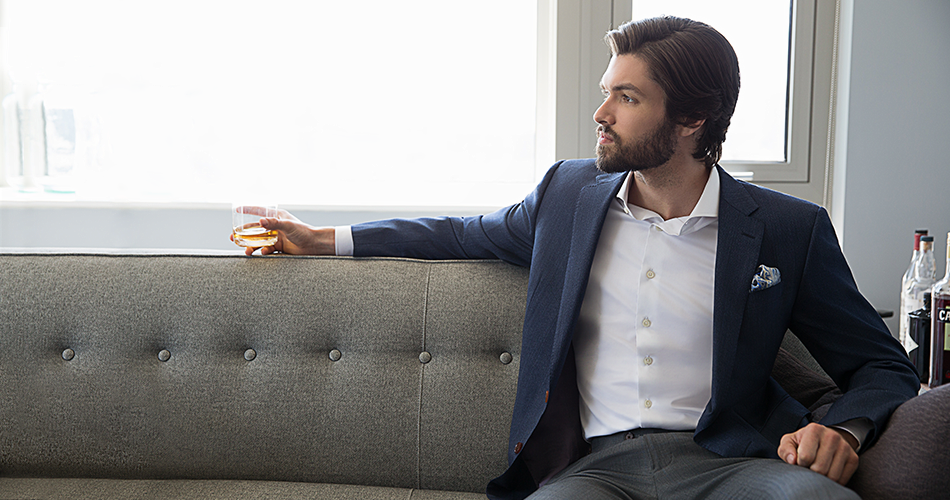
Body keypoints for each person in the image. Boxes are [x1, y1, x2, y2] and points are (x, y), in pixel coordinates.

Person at [239, 16, 918, 500]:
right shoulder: (566, 197)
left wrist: (846, 431)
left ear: (690, 123)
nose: (601, 113)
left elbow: (882, 363)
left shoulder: (785, 228)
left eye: (627, 98)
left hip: (735, 465)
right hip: (593, 469)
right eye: (606, 90)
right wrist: (324, 239)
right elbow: (457, 234)